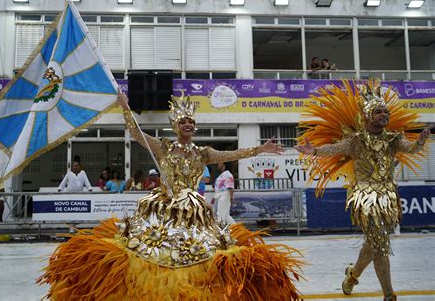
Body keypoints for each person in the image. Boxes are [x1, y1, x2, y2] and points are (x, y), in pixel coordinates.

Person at [39, 92, 303, 300]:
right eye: (184, 121)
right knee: (148, 254)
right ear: (176, 126)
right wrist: (124, 106)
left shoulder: (204, 153)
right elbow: (135, 134)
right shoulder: (163, 148)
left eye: (192, 122)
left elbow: (233, 154)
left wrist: (260, 149)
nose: (188, 124)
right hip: (163, 210)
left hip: (194, 214)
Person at [295, 81, 431, 301]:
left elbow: (409, 148)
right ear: (368, 115)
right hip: (366, 197)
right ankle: (389, 295)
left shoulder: (393, 139)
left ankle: (353, 275)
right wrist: (315, 151)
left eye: (386, 111)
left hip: (388, 197)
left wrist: (420, 142)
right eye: (378, 112)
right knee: (380, 245)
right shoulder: (356, 141)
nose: (384, 115)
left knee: (375, 242)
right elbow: (334, 149)